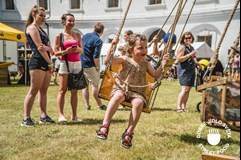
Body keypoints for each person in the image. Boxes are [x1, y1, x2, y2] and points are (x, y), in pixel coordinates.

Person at [97, 34, 169, 149]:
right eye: (140, 48)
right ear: (131, 49)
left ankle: (129, 132)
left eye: (146, 47)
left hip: (137, 92)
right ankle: (105, 124)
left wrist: (163, 65)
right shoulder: (125, 59)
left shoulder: (146, 63)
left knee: (139, 103)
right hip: (122, 88)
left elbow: (155, 74)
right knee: (117, 97)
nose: (144, 50)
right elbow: (108, 61)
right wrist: (112, 45)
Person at [21, 5, 54, 127]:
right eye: (41, 15)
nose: (43, 18)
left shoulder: (41, 30)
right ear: (34, 15)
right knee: (33, 90)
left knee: (44, 91)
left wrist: (48, 50)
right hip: (37, 62)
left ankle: (43, 116)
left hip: (46, 61)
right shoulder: (32, 28)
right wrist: (50, 62)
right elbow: (40, 48)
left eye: (45, 16)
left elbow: (50, 48)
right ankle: (26, 118)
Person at [54, 13, 83, 123]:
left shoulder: (77, 35)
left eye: (73, 21)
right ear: (64, 22)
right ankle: (61, 115)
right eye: (69, 21)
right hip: (65, 63)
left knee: (74, 91)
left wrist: (77, 50)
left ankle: (74, 115)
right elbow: (55, 52)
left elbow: (82, 50)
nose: (72, 23)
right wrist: (66, 51)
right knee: (62, 90)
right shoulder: (59, 36)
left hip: (77, 63)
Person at [81, 22, 106, 110]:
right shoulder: (98, 40)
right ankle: (100, 105)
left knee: (85, 85)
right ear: (102, 31)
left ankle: (87, 105)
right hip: (90, 64)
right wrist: (98, 67)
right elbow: (96, 56)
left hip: (81, 63)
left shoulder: (85, 35)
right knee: (95, 85)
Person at [176, 32, 201, 113]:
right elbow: (179, 59)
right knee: (184, 89)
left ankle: (183, 107)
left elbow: (194, 58)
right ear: (183, 39)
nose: (187, 39)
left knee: (188, 89)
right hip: (184, 70)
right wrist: (190, 54)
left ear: (192, 38)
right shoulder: (182, 47)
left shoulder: (191, 47)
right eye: (186, 38)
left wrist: (198, 64)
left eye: (189, 37)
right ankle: (178, 107)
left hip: (191, 69)